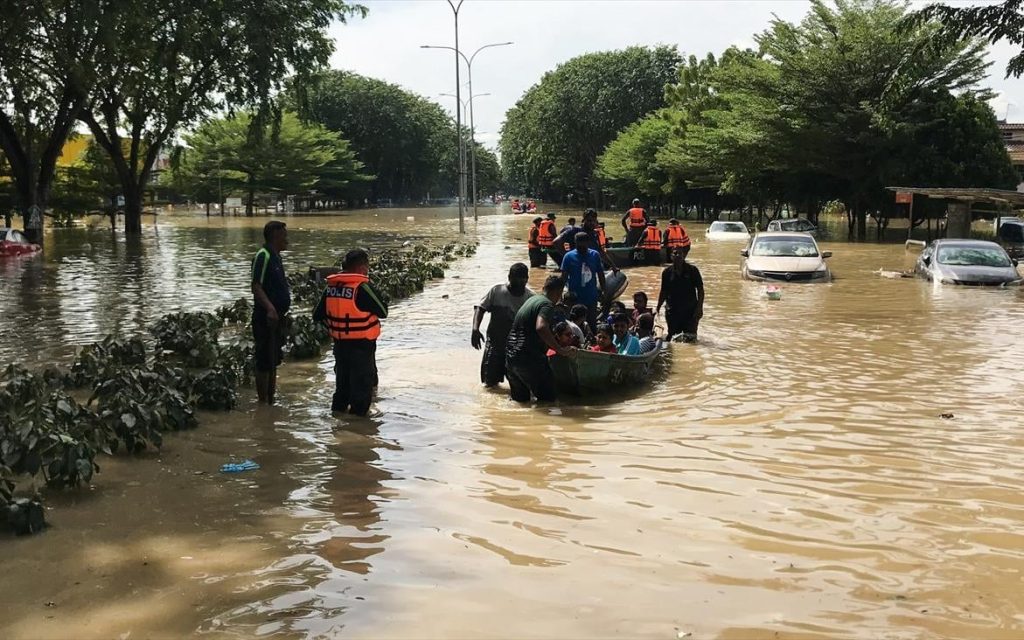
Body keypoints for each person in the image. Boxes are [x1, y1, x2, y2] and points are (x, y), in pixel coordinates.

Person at [313, 248, 389, 416]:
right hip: (361, 347)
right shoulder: (362, 287)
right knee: (362, 390)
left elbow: (317, 315)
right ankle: (359, 430)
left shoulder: (330, 288)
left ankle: (337, 423)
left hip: (340, 345)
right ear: (362, 268)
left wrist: (336, 326)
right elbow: (383, 310)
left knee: (342, 388)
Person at [505, 275, 575, 402]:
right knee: (548, 401)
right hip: (529, 358)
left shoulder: (532, 299)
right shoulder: (546, 305)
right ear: (558, 292)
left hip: (511, 357)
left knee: (521, 403)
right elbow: (541, 327)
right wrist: (560, 349)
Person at [471, 263, 534, 388]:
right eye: (516, 280)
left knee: (520, 386)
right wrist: (475, 329)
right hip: (495, 344)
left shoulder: (530, 298)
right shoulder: (497, 291)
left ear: (527, 279)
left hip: (517, 347)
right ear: (509, 277)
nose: (520, 284)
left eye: (523, 280)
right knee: (489, 385)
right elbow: (480, 308)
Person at [251, 221, 291, 405]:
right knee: (264, 359)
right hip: (265, 317)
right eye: (284, 236)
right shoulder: (263, 255)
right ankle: (263, 401)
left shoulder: (277, 257)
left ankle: (271, 400)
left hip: (277, 318)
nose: (287, 240)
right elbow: (256, 286)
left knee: (273, 358)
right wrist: (270, 308)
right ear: (275, 236)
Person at [655, 245, 705, 342]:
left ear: (684, 255)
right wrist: (658, 308)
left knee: (691, 339)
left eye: (680, 253)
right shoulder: (667, 272)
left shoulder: (693, 270)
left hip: (690, 312)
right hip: (673, 311)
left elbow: (700, 290)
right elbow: (663, 291)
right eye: (675, 253)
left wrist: (699, 308)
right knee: (673, 339)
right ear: (671, 256)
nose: (677, 255)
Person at [560, 232, 607, 330]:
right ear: (575, 243)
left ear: (588, 243)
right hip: (575, 298)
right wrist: (560, 296)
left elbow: (601, 274)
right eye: (579, 245)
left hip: (591, 296)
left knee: (592, 324)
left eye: (583, 245)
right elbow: (563, 278)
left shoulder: (595, 255)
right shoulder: (568, 257)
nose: (581, 248)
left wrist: (604, 291)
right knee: (574, 326)